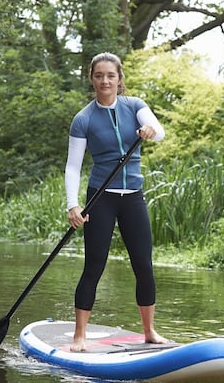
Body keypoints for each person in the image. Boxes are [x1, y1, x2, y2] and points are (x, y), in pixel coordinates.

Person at [64, 52, 168, 351]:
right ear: (92, 79)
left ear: (119, 79)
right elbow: (73, 166)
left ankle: (149, 331)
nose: (105, 81)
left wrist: (150, 130)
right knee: (94, 266)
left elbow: (158, 131)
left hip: (133, 197)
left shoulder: (135, 106)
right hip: (101, 199)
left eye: (111, 75)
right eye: (99, 76)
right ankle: (79, 335)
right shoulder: (83, 118)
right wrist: (73, 205)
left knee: (143, 265)